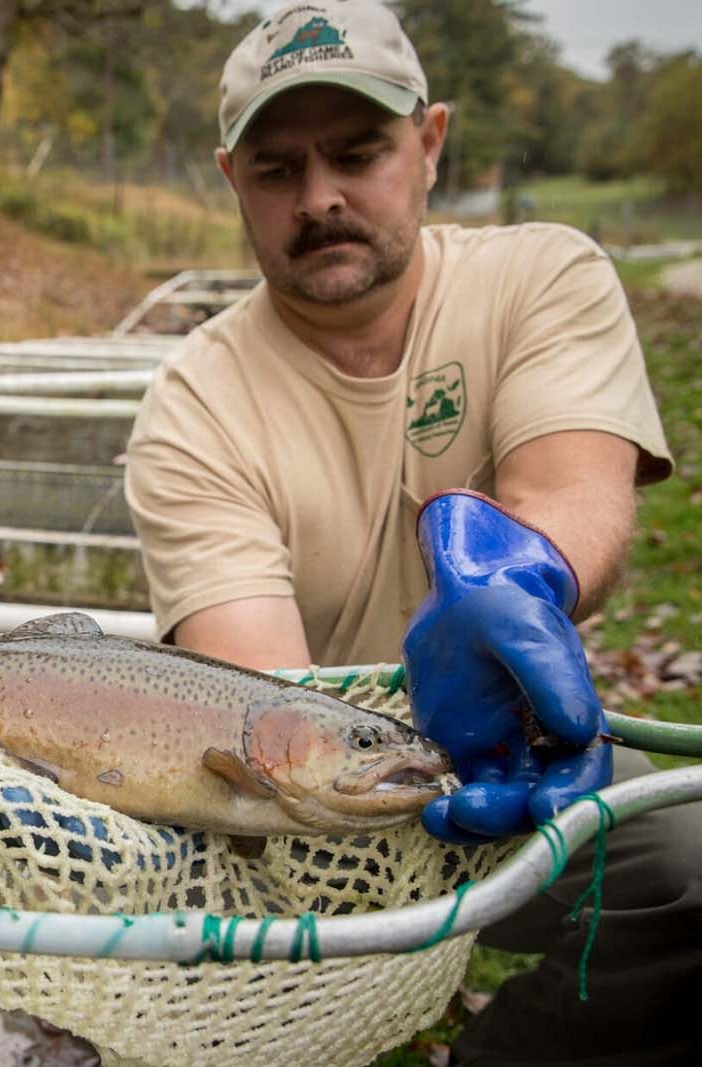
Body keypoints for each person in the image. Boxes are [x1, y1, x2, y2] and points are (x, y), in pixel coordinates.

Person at [123, 2, 701, 1063]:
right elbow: (265, 719)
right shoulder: (192, 400)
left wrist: (520, 580)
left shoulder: (541, 276)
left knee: (693, 865)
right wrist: (367, 768)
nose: (320, 197)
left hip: (529, 760)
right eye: (275, 170)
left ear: (429, 142)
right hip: (306, 813)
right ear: (229, 179)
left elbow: (575, 489)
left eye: (357, 152)